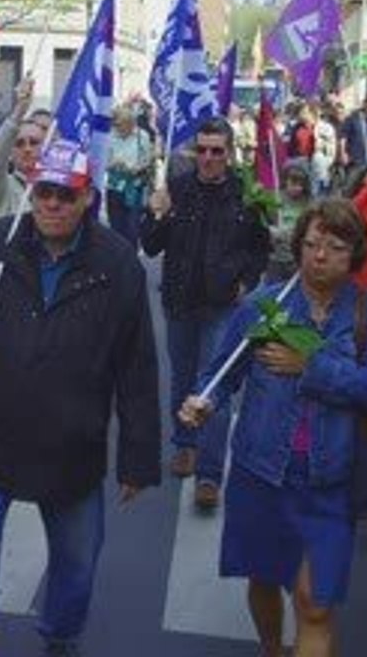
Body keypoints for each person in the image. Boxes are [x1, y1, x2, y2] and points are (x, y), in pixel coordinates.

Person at [0, 139, 161, 657]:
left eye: (66, 194)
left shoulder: (118, 263)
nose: (52, 204)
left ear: (88, 197)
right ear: (31, 191)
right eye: (44, 192)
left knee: (77, 564)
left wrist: (138, 457)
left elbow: (137, 366)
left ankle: (60, 635)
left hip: (71, 448)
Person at [180, 198, 367, 657]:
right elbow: (220, 374)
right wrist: (204, 401)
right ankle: (271, 649)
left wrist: (312, 365)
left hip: (329, 482)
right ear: (299, 245)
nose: (320, 255)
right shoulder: (264, 307)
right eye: (313, 243)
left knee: (315, 606)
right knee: (263, 579)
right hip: (259, 475)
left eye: (336, 247)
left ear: (355, 254)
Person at [141, 117, 271, 509]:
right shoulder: (178, 188)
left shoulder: (247, 195)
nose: (208, 157)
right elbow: (151, 246)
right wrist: (156, 213)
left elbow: (259, 248)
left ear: (229, 153)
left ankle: (210, 474)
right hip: (180, 302)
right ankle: (185, 443)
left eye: (216, 150)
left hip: (223, 306)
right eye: (202, 150)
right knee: (182, 378)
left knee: (214, 384)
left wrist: (247, 281)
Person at [0, 75, 47, 219]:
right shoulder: (2, 187)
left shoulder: (55, 188)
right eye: (19, 144)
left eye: (34, 142)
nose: (27, 149)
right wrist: (19, 111)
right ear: (10, 153)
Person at [105, 104, 154, 250]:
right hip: (114, 186)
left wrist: (137, 168)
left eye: (121, 124)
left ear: (131, 123)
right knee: (115, 229)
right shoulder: (110, 136)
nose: (118, 128)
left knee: (132, 230)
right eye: (116, 124)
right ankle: (117, 259)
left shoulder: (142, 136)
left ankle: (131, 258)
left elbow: (148, 160)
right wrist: (113, 164)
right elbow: (103, 162)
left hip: (134, 188)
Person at [266, 159, 313, 283]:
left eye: (301, 184)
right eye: (293, 182)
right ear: (285, 180)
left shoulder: (309, 203)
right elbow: (265, 223)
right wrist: (271, 231)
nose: (297, 188)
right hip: (276, 258)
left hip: (296, 259)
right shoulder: (275, 198)